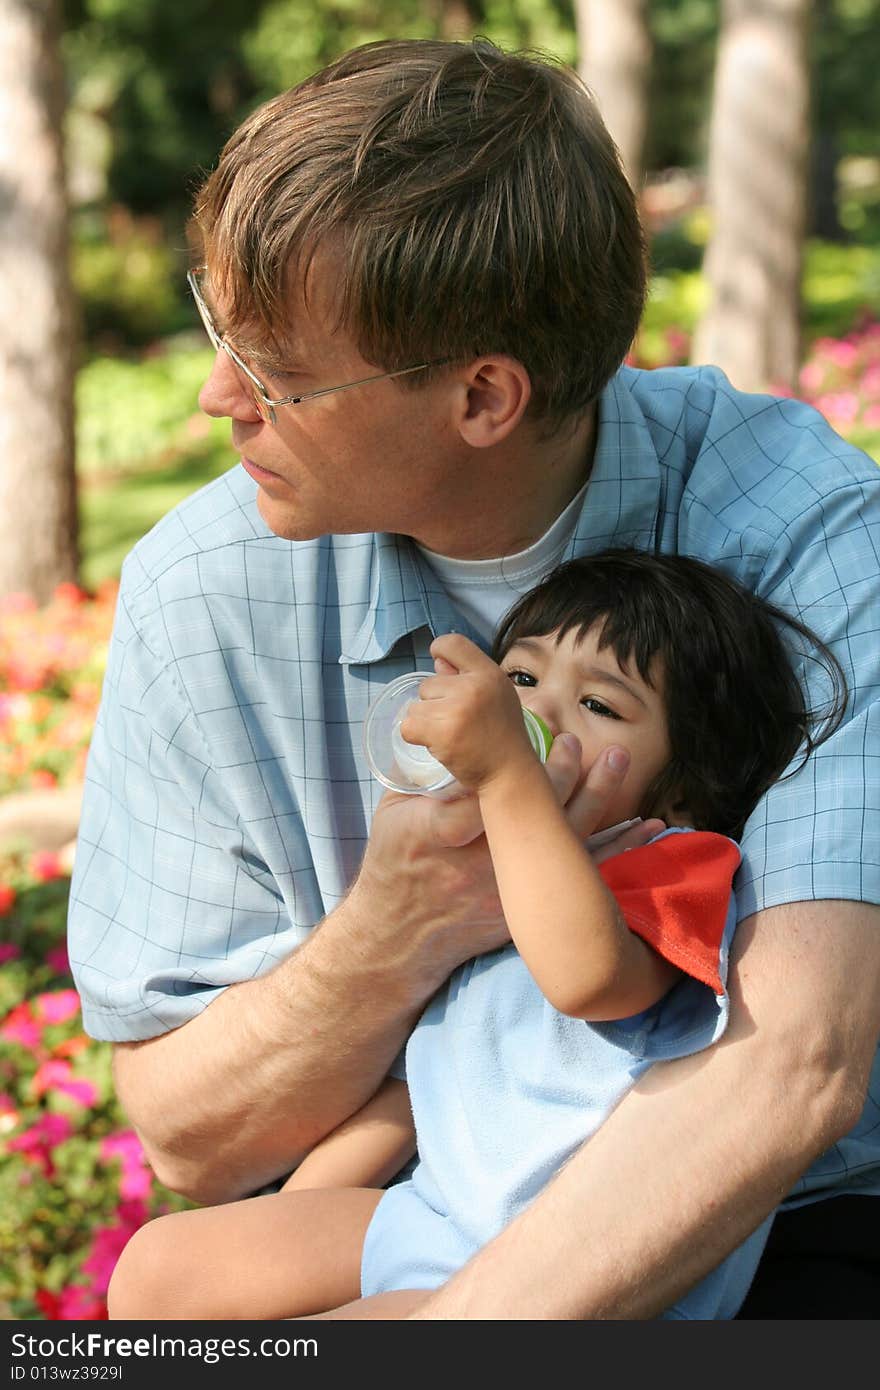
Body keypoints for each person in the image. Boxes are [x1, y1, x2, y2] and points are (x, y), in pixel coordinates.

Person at [67, 37, 880, 1319]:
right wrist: (405, 923)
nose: (219, 398)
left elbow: (800, 1063)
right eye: (221, 333)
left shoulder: (800, 531)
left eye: (278, 374)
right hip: (417, 1205)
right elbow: (189, 1137)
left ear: (484, 396)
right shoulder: (202, 591)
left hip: (773, 1227)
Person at [106, 549, 846, 1321]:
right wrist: (278, 1230)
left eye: (600, 706)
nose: (539, 718)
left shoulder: (677, 863)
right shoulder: (489, 887)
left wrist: (506, 777)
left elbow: (588, 979)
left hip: (558, 1270)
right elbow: (416, 1092)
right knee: (159, 1273)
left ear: (688, 782)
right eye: (522, 681)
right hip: (436, 1216)